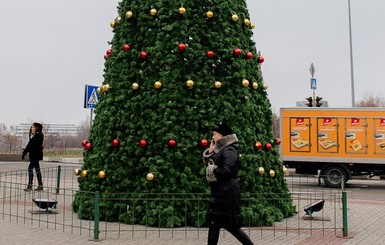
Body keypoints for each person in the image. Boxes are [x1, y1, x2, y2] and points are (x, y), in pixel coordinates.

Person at [202, 121, 254, 245]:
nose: (213, 137)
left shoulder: (229, 150)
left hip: (227, 194)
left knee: (231, 227)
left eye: (215, 134)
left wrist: (213, 170)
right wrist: (211, 152)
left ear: (223, 136)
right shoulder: (220, 150)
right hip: (220, 194)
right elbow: (212, 164)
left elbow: (227, 170)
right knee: (215, 225)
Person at [22, 122, 44, 191]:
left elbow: (31, 145)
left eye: (33, 127)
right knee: (37, 170)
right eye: (31, 127)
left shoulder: (39, 135)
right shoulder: (33, 135)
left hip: (36, 156)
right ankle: (40, 185)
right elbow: (29, 145)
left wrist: (24, 153)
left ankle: (30, 185)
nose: (32, 128)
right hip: (33, 156)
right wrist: (24, 153)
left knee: (30, 168)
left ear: (37, 128)